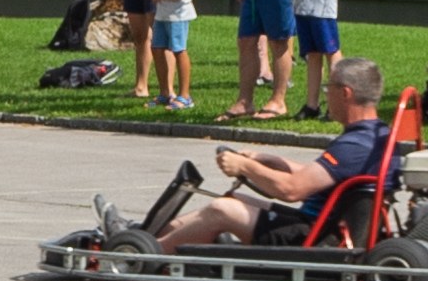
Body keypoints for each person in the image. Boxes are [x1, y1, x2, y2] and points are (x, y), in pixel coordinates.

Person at [135, 57, 397, 246]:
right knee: (234, 200)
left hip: (315, 238)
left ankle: (144, 256)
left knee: (223, 209)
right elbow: (323, 176)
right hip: (323, 225)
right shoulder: (375, 137)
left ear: (346, 93)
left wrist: (245, 167)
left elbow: (292, 190)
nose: (326, 94)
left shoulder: (355, 146)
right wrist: (267, 160)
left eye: (329, 89)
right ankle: (145, 237)